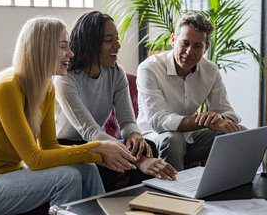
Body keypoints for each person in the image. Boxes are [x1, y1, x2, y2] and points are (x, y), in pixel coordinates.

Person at [0, 16, 136, 215]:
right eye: (63, 47)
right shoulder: (7, 88)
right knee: (67, 177)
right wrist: (97, 149)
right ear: (42, 49)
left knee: (87, 169)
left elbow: (49, 146)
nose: (71, 54)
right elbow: (34, 159)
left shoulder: (46, 87)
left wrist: (93, 155)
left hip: (9, 172)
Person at [54, 11, 177, 192]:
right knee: (106, 162)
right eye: (109, 40)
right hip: (67, 144)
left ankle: (142, 204)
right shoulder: (66, 79)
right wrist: (140, 161)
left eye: (117, 39)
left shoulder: (116, 73)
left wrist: (135, 134)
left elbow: (127, 121)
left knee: (147, 146)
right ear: (90, 43)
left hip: (95, 140)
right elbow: (90, 132)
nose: (118, 46)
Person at [136, 12, 242, 171]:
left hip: (190, 137)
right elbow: (159, 121)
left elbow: (228, 112)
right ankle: (176, 193)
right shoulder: (149, 68)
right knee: (173, 139)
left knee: (240, 133)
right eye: (184, 43)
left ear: (206, 47)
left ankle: (226, 187)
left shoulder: (210, 70)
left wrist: (219, 117)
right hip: (153, 137)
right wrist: (206, 122)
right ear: (173, 40)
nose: (189, 51)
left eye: (197, 46)